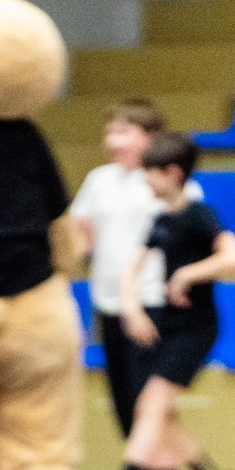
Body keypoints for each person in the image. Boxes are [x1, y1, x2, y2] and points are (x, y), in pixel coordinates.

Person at [108, 132, 235, 470]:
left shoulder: (200, 215)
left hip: (196, 327)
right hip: (166, 324)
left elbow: (234, 257)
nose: (145, 182)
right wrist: (132, 308)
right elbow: (130, 268)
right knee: (158, 413)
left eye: (150, 174)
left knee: (151, 405)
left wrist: (189, 273)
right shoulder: (160, 219)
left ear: (172, 174)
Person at [67, 99, 185, 444]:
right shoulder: (99, 180)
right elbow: (80, 235)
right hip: (109, 302)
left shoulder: (170, 182)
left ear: (150, 137)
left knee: (145, 396)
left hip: (151, 302)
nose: (112, 141)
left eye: (122, 132)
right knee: (120, 396)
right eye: (109, 133)